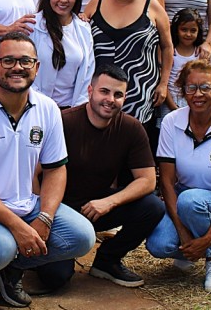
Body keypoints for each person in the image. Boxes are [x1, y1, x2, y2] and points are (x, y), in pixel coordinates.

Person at [0, 33, 96, 307]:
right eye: (9, 61)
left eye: (26, 61)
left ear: (37, 67)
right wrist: (18, 227)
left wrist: (46, 217)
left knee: (82, 237)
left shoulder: (48, 108)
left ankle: (11, 268)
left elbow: (55, 170)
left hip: (26, 204)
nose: (18, 67)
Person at [147, 60, 211, 293]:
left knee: (191, 201)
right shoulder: (172, 123)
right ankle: (191, 245)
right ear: (183, 92)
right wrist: (182, 232)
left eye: (205, 88)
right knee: (158, 245)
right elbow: (167, 183)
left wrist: (208, 238)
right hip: (183, 197)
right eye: (191, 88)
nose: (197, 94)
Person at [61, 64, 164, 287]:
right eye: (104, 91)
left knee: (153, 207)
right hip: (61, 211)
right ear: (90, 91)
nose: (110, 99)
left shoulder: (131, 128)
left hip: (98, 206)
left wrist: (110, 201)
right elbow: (35, 173)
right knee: (56, 277)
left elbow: (147, 180)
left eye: (118, 94)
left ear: (125, 98)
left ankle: (107, 261)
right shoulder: (64, 122)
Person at [85, 0, 173, 130]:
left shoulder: (152, 6)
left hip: (139, 97)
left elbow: (167, 47)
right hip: (99, 97)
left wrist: (163, 84)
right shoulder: (96, 3)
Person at [31, 0, 95, 108]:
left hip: (70, 111)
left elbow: (86, 77)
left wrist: (75, 113)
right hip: (36, 107)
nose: (64, 0)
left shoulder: (83, 29)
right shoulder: (32, 26)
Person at [163, 9, 204, 115]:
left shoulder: (200, 54)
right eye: (184, 29)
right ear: (176, 29)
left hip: (194, 104)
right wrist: (173, 107)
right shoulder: (171, 52)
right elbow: (164, 81)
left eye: (193, 30)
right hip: (170, 103)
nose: (188, 34)